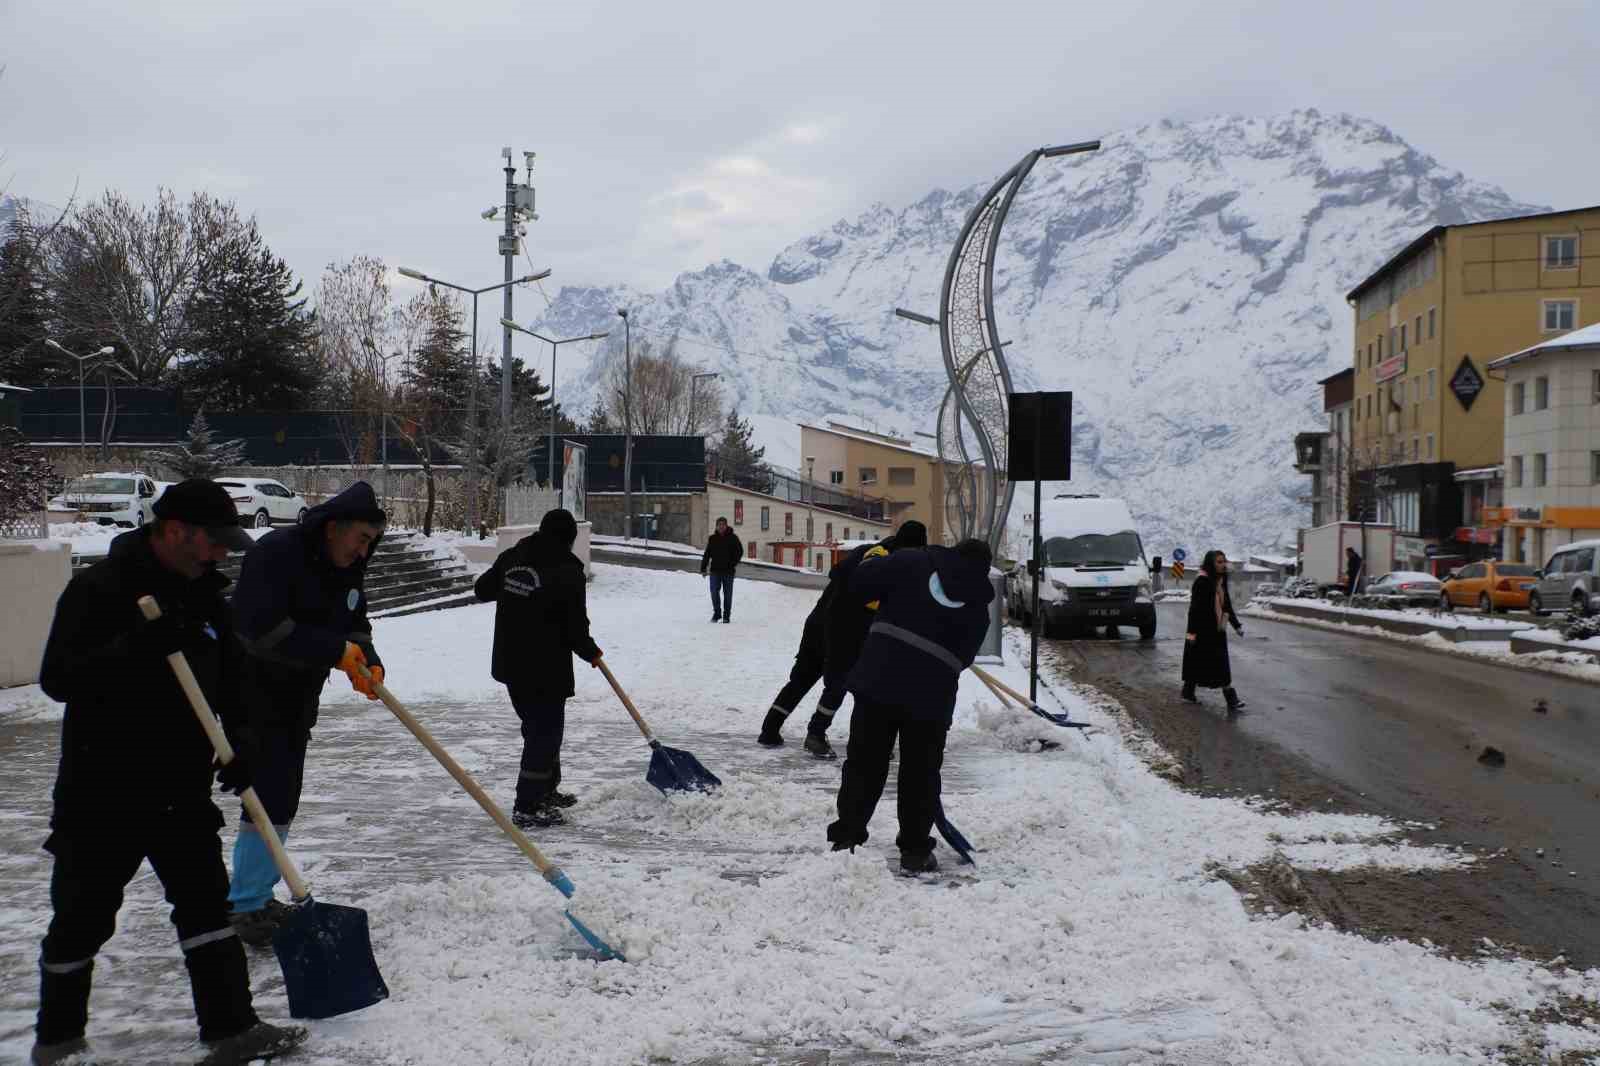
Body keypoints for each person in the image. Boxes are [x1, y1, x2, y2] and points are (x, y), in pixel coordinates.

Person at [32, 479, 305, 1065]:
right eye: (215, 542)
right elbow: (59, 678)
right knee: (82, 918)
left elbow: (233, 681)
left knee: (207, 909)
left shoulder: (204, 594)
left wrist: (243, 741)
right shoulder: (99, 590)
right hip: (101, 788)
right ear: (176, 531)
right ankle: (57, 1042)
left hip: (179, 787)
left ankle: (233, 1030)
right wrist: (138, 646)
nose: (223, 554)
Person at [225, 481, 387, 947]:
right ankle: (247, 902)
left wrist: (367, 658)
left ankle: (252, 894)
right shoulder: (276, 554)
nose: (364, 552)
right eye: (360, 539)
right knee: (269, 790)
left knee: (280, 793)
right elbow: (260, 627)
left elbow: (355, 622)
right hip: (251, 691)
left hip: (298, 694)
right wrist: (334, 650)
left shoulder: (347, 566)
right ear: (334, 528)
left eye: (371, 544)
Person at [826, 537, 995, 873]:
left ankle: (847, 838)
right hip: (932, 694)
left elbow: (858, 582)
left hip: (879, 678)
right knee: (921, 771)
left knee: (865, 762)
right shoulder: (978, 607)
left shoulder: (910, 562)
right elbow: (963, 658)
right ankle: (915, 851)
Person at [474, 508, 603, 828]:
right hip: (545, 667)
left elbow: (482, 589)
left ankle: (546, 790)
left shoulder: (514, 556)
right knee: (543, 734)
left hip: (511, 663)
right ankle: (528, 804)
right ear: (569, 539)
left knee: (541, 729)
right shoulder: (567, 569)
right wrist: (591, 652)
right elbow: (575, 626)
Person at [758, 521, 928, 758]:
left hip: (819, 620)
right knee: (840, 681)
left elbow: (841, 577)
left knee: (803, 677)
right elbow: (869, 597)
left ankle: (770, 729)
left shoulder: (867, 551)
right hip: (844, 627)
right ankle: (817, 734)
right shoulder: (886, 561)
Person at [1182, 549, 1245, 712]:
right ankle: (1188, 691)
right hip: (1202, 631)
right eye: (1219, 562)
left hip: (1217, 630)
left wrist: (1236, 625)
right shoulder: (1202, 581)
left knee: (1221, 664)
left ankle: (1231, 699)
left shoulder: (1220, 581)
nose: (1222, 565)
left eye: (1224, 561)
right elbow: (1194, 610)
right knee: (1197, 662)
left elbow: (1226, 605)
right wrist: (1191, 634)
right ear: (1210, 563)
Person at [700, 516, 743, 623]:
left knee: (727, 594)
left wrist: (732, 564)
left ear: (726, 525)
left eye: (723, 525)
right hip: (715, 571)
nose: (721, 527)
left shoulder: (733, 538)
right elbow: (707, 554)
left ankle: (726, 615)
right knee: (714, 592)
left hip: (728, 572)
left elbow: (739, 552)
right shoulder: (712, 538)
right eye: (719, 525)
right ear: (716, 526)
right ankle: (717, 613)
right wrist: (703, 568)